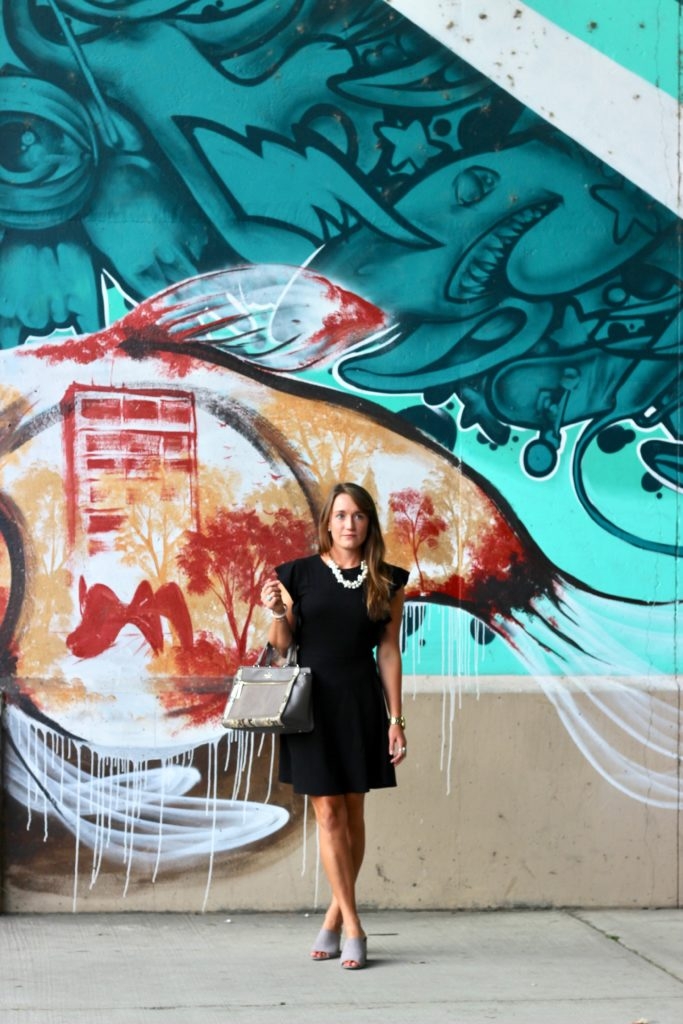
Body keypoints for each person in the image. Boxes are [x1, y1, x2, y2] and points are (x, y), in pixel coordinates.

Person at [260, 482, 409, 970]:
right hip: (311, 704)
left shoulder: (385, 579)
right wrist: (277, 612)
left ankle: (331, 916)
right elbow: (282, 645)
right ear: (328, 522)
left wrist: (396, 718)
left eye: (359, 516)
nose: (350, 524)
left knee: (352, 813)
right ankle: (353, 925)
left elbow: (388, 650)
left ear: (370, 524)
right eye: (341, 515)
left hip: (360, 702)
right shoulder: (297, 574)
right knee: (327, 814)